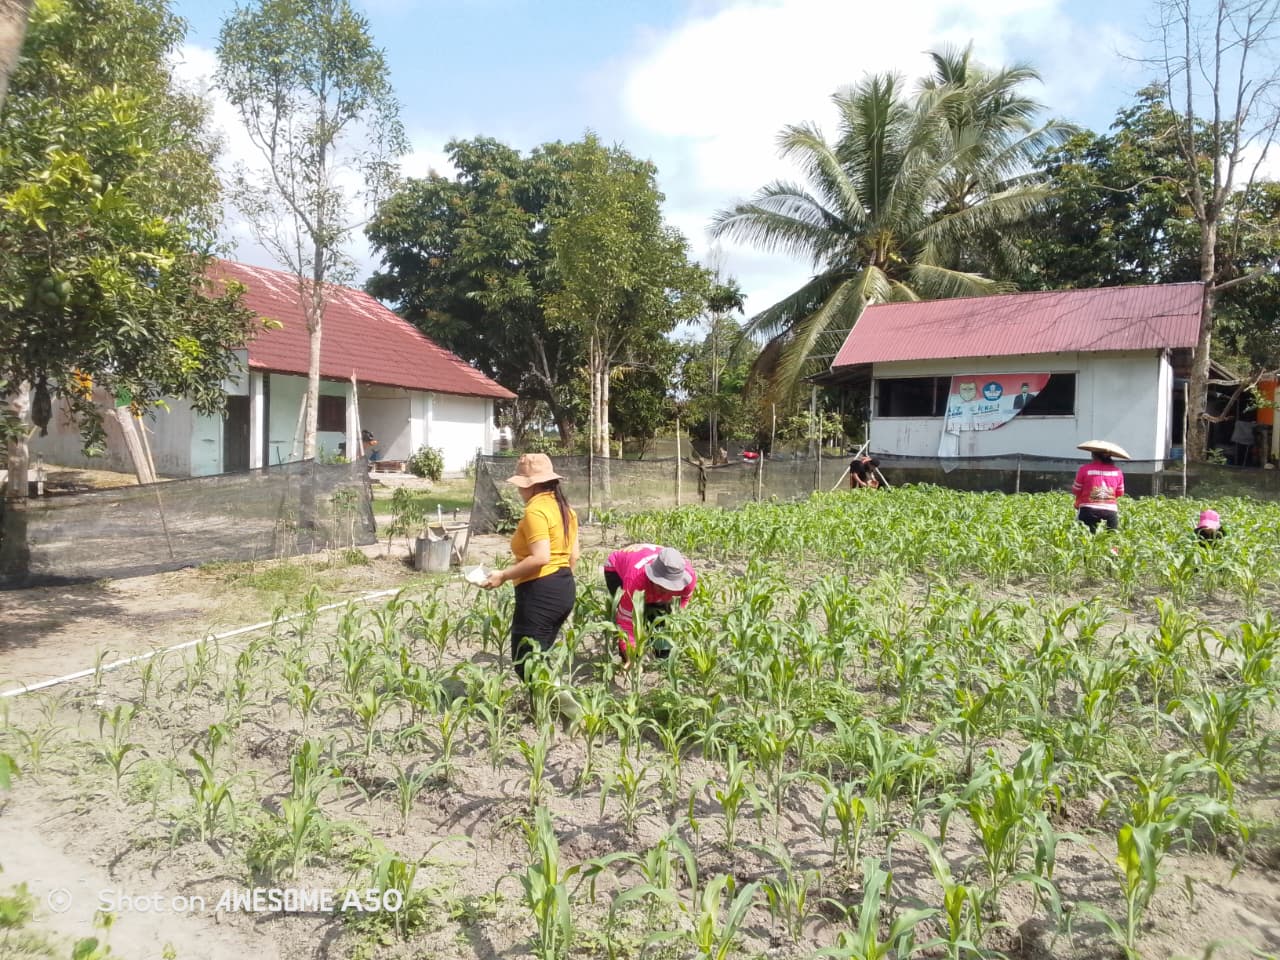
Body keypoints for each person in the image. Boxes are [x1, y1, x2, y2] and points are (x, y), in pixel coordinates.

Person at [481, 453, 579, 680]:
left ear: (531, 485)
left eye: (520, 485)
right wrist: (558, 585)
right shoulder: (566, 509)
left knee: (526, 662)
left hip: (540, 591)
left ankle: (565, 709)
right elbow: (573, 556)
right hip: (564, 588)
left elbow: (540, 558)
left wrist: (503, 575)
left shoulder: (535, 510)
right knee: (539, 656)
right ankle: (546, 710)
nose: (519, 491)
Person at [603, 545, 696, 662]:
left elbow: (684, 600)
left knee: (661, 614)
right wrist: (630, 654)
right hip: (615, 568)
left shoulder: (688, 578)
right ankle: (627, 658)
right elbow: (625, 622)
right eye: (661, 586)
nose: (666, 591)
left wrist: (674, 616)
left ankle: (661, 656)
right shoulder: (634, 581)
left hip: (645, 556)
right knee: (633, 615)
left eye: (671, 587)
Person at [1072, 448, 1126, 532]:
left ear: (1093, 455)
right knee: (1110, 541)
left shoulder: (1084, 469)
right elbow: (1119, 492)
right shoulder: (1117, 472)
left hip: (1088, 510)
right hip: (1110, 511)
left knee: (1085, 541)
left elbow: (1076, 490)